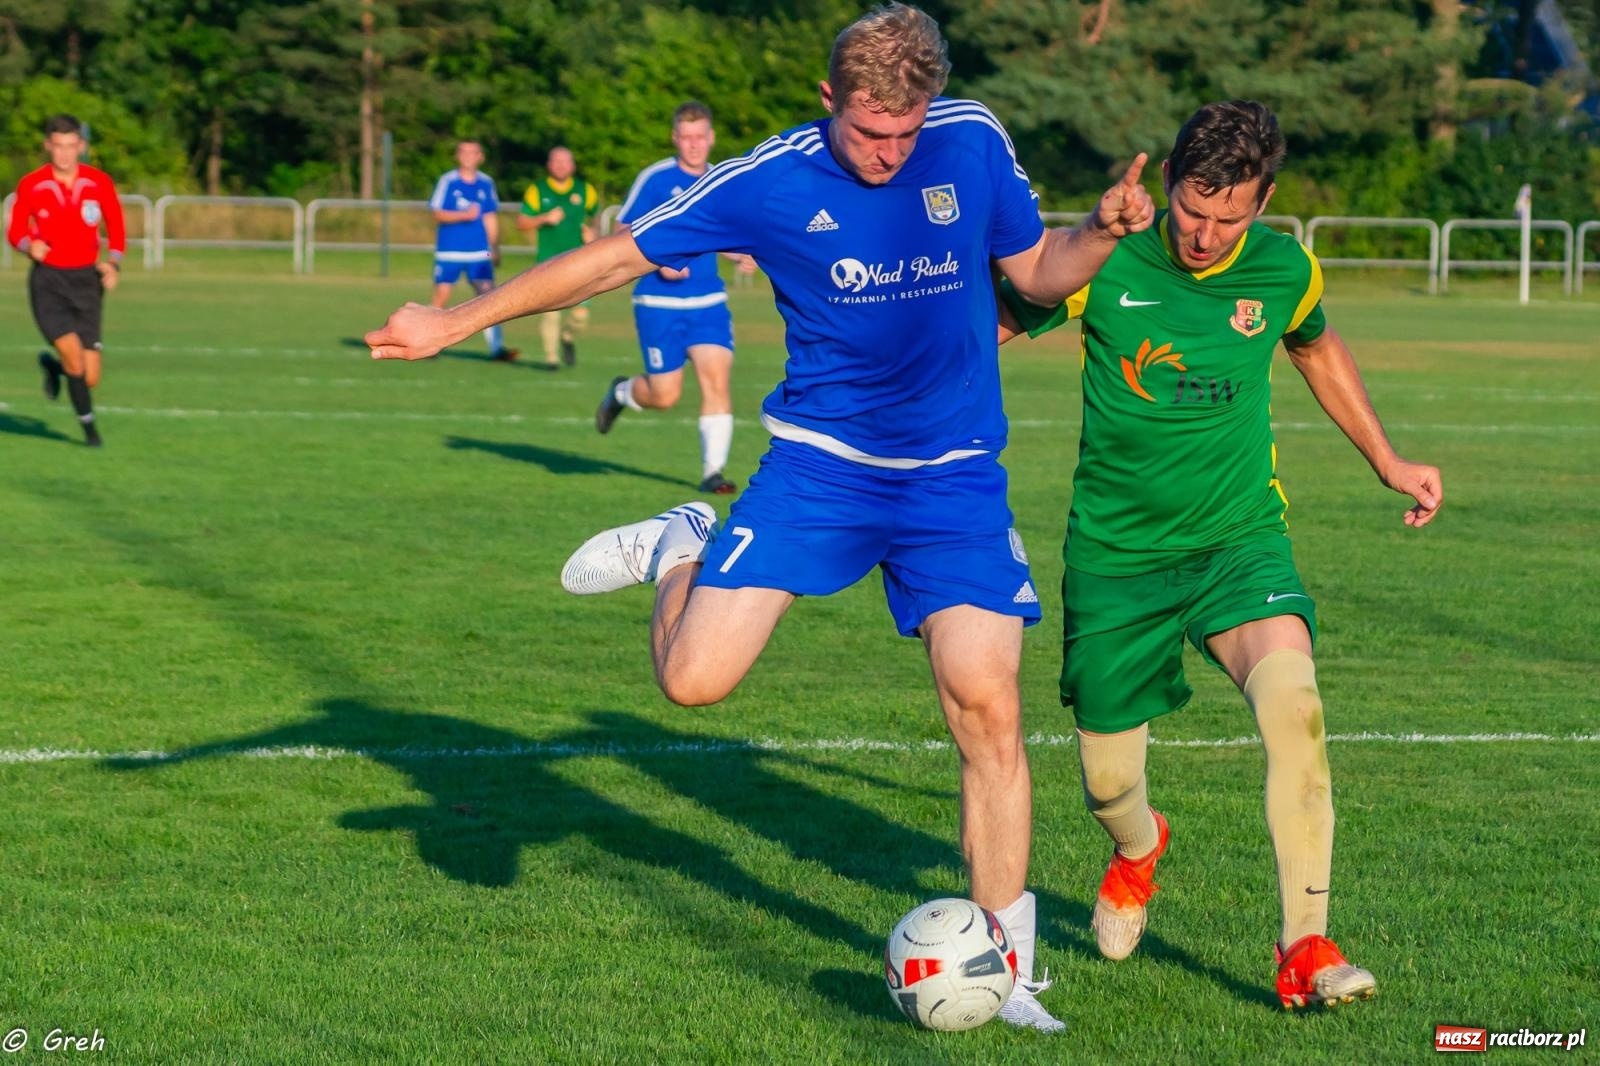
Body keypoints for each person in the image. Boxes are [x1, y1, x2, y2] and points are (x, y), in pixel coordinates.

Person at [367, 3, 1153, 1032]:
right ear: (828, 100)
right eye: (872, 134)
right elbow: (612, 259)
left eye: (906, 134)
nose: (890, 155)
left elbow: (1034, 272)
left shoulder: (971, 138)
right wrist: (453, 319)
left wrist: (1094, 233)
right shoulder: (769, 177)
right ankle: (683, 543)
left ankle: (1007, 969)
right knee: (692, 682)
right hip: (820, 470)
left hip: (951, 476)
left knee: (987, 707)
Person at [996, 100, 1443, 1010]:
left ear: (1263, 201)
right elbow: (983, 330)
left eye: (1227, 218)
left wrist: (1387, 457)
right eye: (1192, 212)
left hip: (1239, 540)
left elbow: (1317, 350)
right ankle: (1137, 848)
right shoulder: (1108, 260)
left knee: (1297, 710)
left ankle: (1305, 947)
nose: (1203, 235)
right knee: (1109, 782)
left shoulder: (1285, 269)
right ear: (1165, 184)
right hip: (1118, 558)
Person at [597, 101, 755, 495]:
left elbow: (728, 231)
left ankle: (712, 472)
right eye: (686, 137)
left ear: (711, 137)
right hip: (658, 304)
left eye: (701, 136)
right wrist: (657, 260)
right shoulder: (654, 179)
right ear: (675, 139)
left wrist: (741, 252)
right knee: (665, 395)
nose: (694, 144)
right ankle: (620, 393)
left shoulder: (721, 178)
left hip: (708, 302)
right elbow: (620, 233)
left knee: (716, 380)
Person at [6, 113, 126, 447]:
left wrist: (114, 263)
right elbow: (15, 231)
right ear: (48, 146)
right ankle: (90, 433)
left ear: (81, 146)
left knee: (89, 376)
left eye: (71, 146)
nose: (64, 154)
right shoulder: (32, 184)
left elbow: (116, 227)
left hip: (88, 284)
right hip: (49, 284)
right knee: (75, 360)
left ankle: (52, 366)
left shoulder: (98, 182)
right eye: (58, 146)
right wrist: (31, 246)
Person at [429, 140, 517, 361]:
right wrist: (463, 215)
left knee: (489, 296)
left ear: (481, 157)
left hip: (481, 252)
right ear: (457, 155)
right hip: (449, 251)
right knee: (442, 296)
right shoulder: (448, 181)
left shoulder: (486, 183)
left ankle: (497, 348)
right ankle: (429, 343)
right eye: (463, 151)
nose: (468, 155)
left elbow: (489, 216)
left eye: (473, 152)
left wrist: (495, 247)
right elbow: (437, 213)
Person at [516, 146, 598, 369]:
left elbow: (594, 218)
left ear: (572, 165)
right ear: (549, 165)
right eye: (556, 161)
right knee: (551, 313)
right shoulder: (538, 190)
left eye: (565, 161)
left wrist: (593, 233)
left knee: (580, 316)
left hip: (579, 262)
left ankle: (568, 337)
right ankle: (551, 359)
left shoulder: (585, 190)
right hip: (548, 261)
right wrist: (543, 218)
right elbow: (522, 222)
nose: (561, 165)